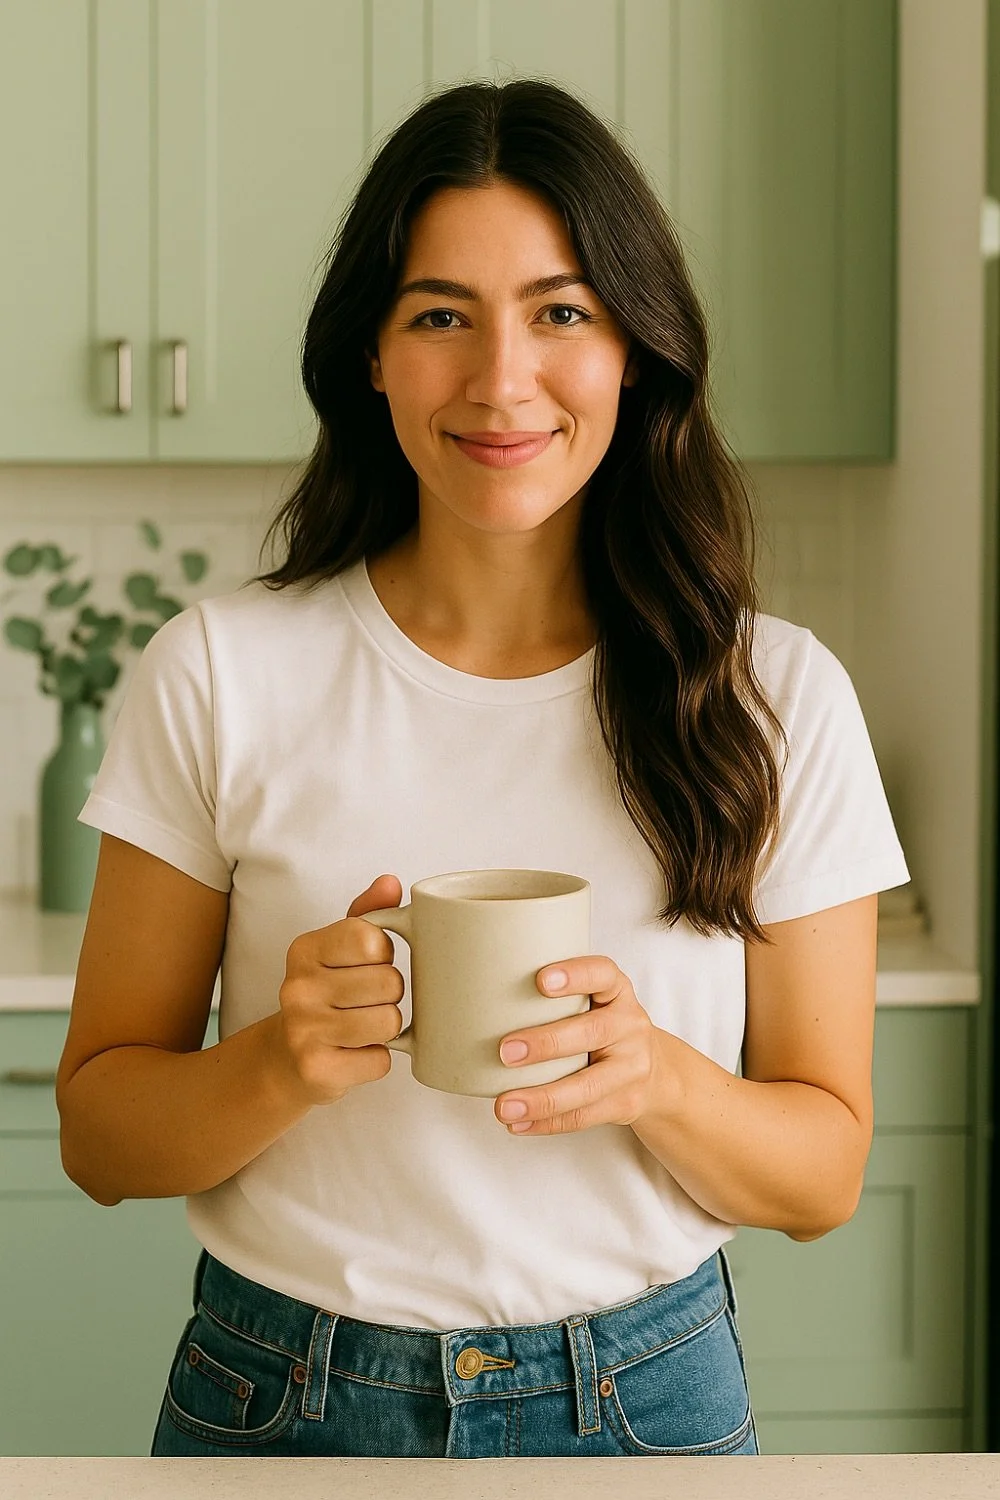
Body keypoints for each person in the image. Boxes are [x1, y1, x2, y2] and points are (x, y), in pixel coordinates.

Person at [55, 78, 909, 1460]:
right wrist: (284, 1059)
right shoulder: (220, 671)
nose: (501, 379)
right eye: (441, 314)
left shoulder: (775, 697)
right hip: (282, 1396)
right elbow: (99, 1136)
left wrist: (658, 1078)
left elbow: (824, 1176)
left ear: (635, 350)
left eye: (562, 312)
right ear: (372, 357)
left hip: (647, 1397)